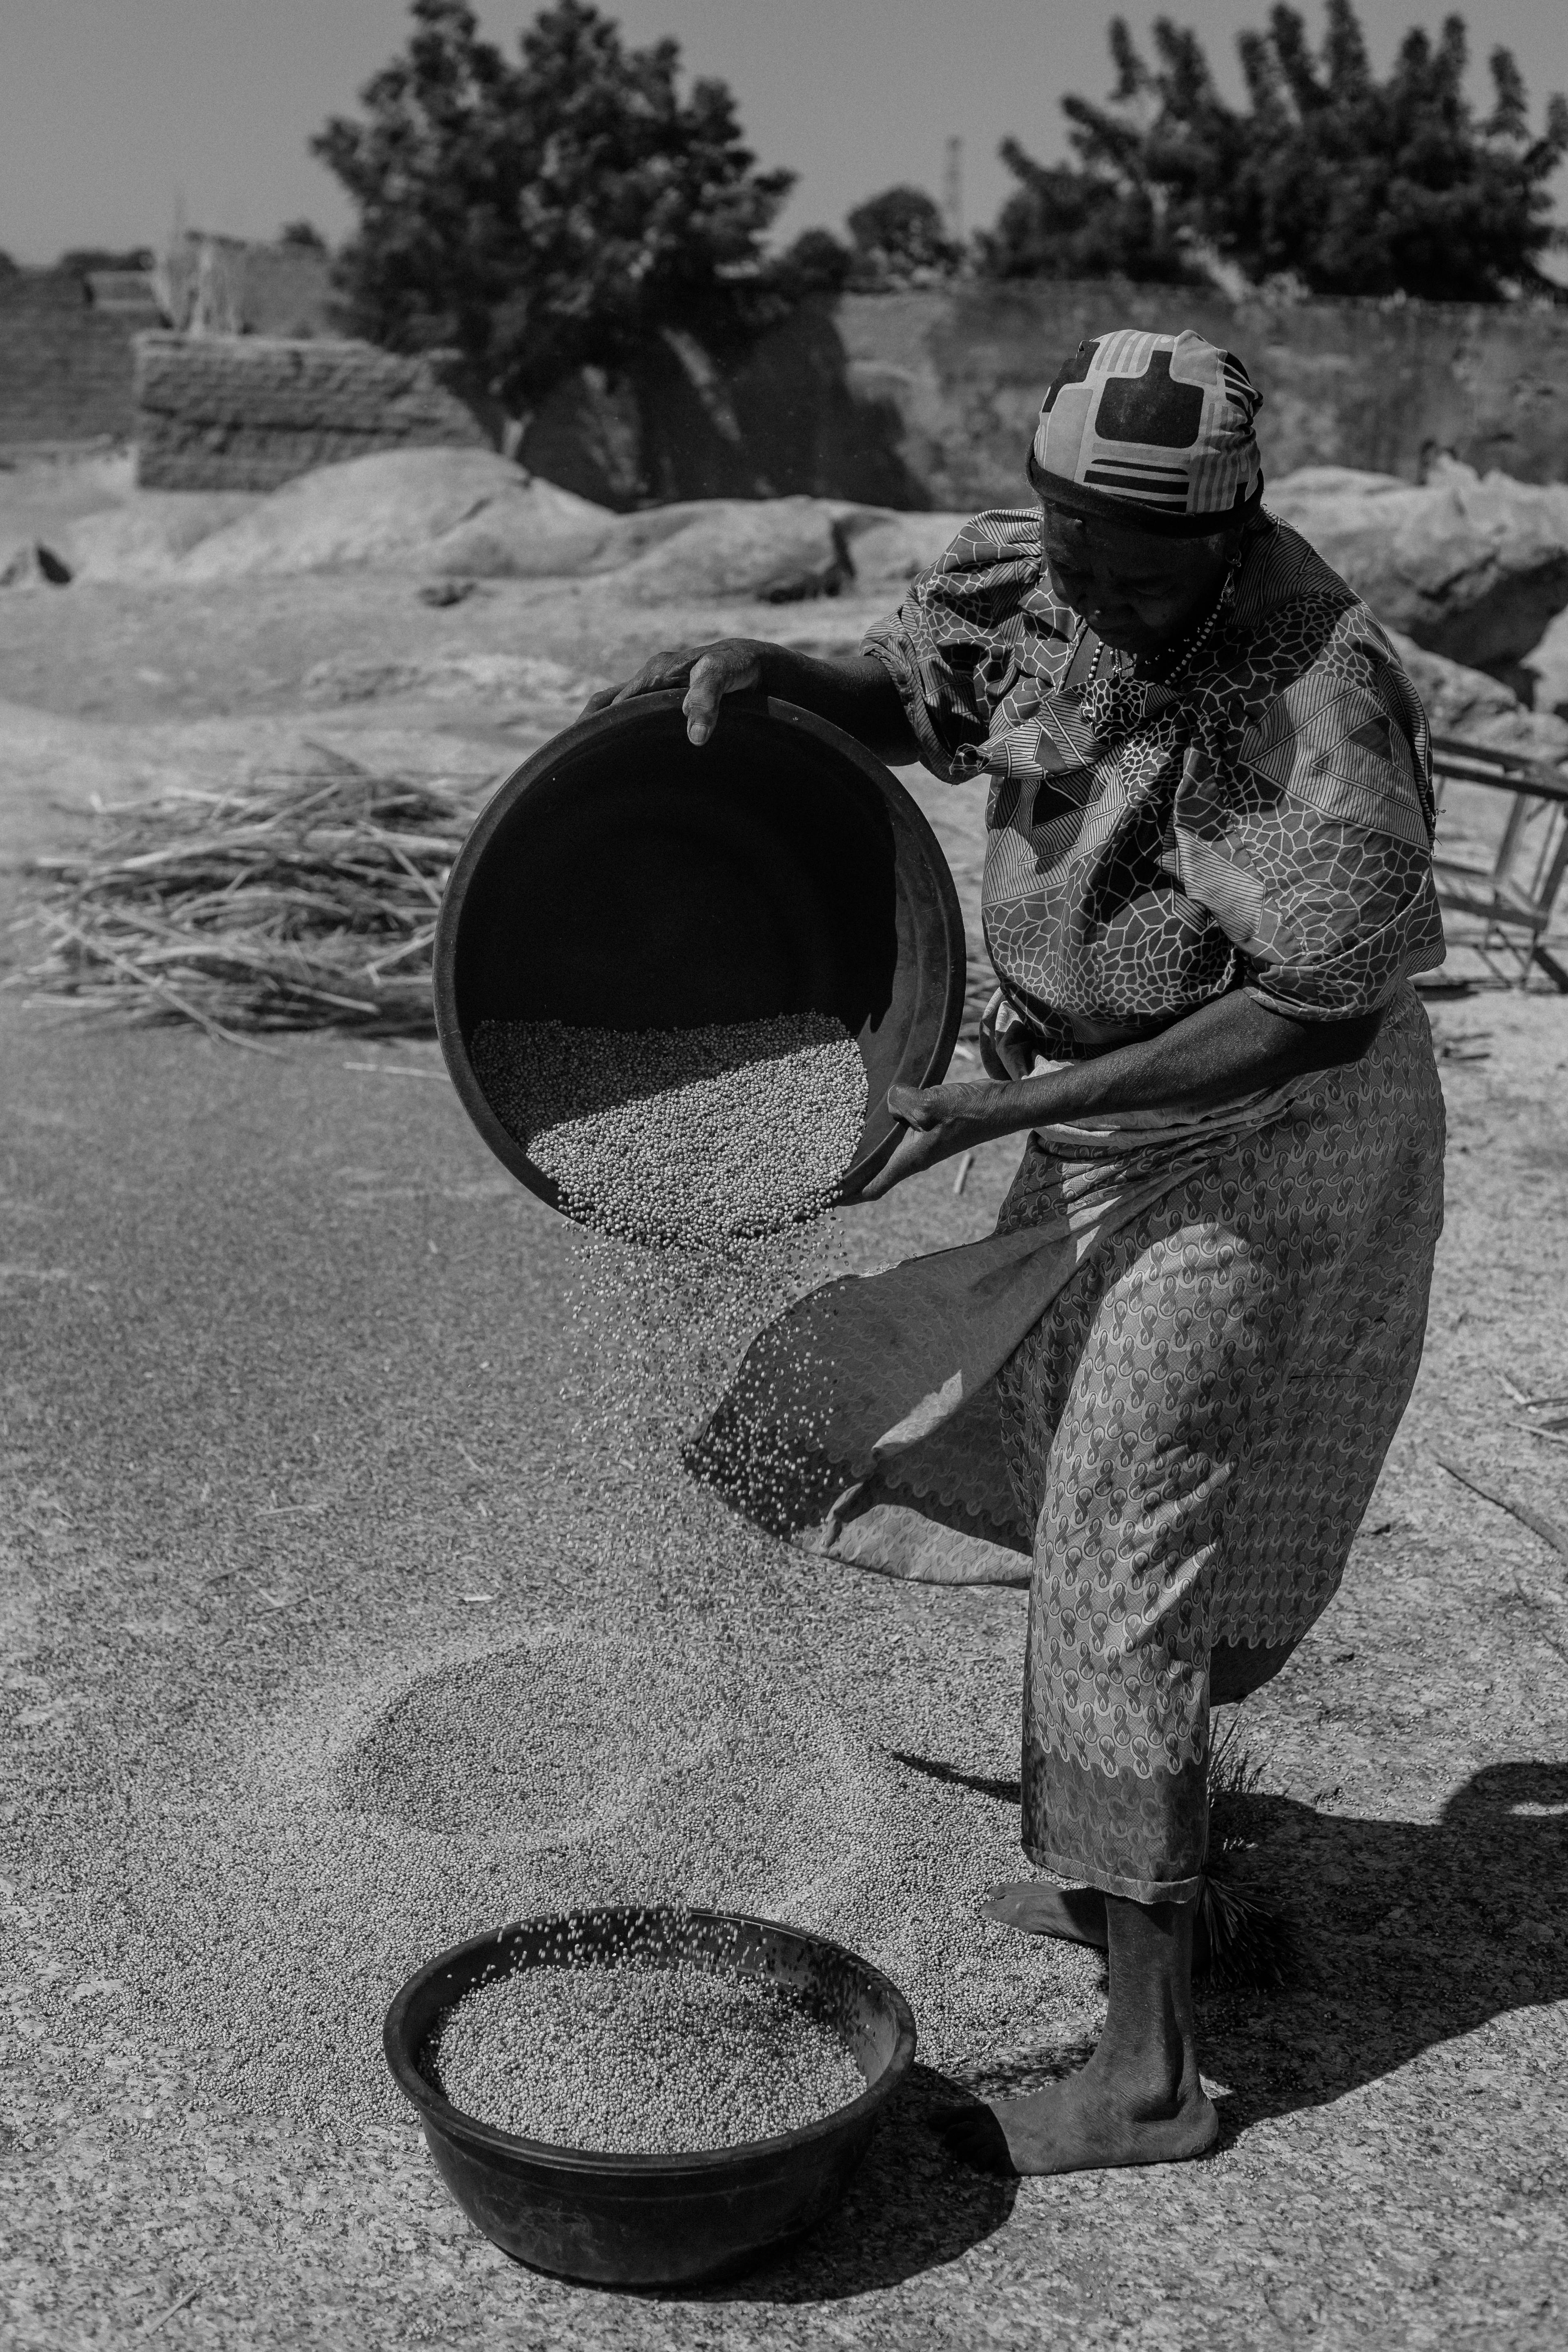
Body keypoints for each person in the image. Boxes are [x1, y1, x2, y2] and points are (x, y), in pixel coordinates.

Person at [582, 327, 1446, 2176]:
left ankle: (1149, 2080)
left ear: (1239, 528)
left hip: (1266, 1139)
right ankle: (1145, 1880)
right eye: (1080, 552)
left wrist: (979, 1117)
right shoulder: (1040, 586)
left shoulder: (1322, 693)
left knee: (1130, 1532)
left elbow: (1312, 1012)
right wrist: (784, 677)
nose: (1110, 598)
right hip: (1097, 1114)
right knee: (1084, 1496)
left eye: (1155, 571)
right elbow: (934, 700)